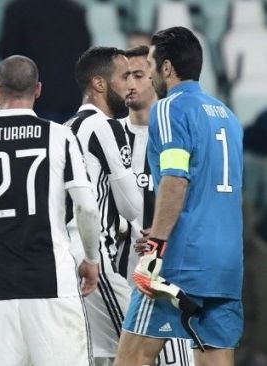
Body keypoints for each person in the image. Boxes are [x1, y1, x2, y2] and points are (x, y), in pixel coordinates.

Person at [0, 54, 101, 365]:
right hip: (53, 283)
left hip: (0, 288)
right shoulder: (59, 136)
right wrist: (91, 259)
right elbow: (87, 209)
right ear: (37, 90)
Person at [115, 26, 244, 366]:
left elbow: (175, 179)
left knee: (131, 359)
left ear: (167, 68)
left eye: (153, 63)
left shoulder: (169, 109)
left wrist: (155, 246)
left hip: (181, 263)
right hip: (226, 265)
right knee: (213, 358)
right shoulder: (229, 118)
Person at [64, 46, 142, 365]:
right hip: (94, 259)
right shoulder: (105, 127)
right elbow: (132, 205)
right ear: (99, 84)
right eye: (123, 77)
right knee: (143, 343)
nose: (130, 86)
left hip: (67, 256)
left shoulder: (66, 128)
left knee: (104, 355)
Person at [117, 45, 194, 365]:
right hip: (117, 278)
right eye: (124, 77)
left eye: (138, 74)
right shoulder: (106, 134)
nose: (130, 84)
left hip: (164, 279)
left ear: (155, 76)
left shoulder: (174, 131)